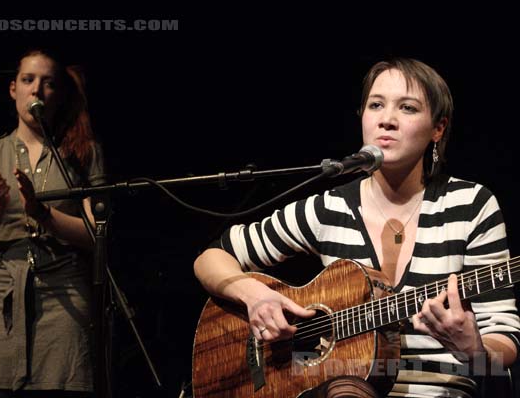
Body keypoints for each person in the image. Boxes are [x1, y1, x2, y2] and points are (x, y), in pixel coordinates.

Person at [194, 58, 520, 397]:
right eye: (376, 105)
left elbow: (504, 337)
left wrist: (475, 353)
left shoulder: (471, 204)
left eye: (407, 108)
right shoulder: (328, 208)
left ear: (438, 129)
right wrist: (256, 297)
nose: (387, 120)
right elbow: (211, 258)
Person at [0, 48, 106, 397]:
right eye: (28, 80)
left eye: (48, 83)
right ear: (14, 89)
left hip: (66, 288)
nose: (36, 90)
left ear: (59, 94)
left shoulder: (83, 152)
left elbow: (98, 236)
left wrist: (44, 215)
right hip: (4, 289)